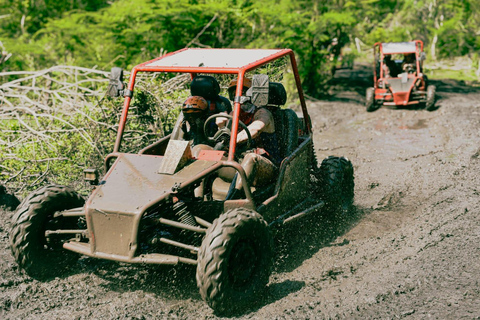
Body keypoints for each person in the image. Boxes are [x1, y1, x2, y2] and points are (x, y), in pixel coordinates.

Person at [217, 78, 282, 199]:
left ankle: (230, 202)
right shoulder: (234, 114)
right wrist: (221, 126)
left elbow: (254, 130)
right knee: (203, 151)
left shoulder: (263, 113)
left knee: (251, 158)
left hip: (266, 166)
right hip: (238, 163)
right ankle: (194, 199)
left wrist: (233, 139)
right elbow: (223, 138)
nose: (238, 97)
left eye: (242, 93)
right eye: (234, 94)